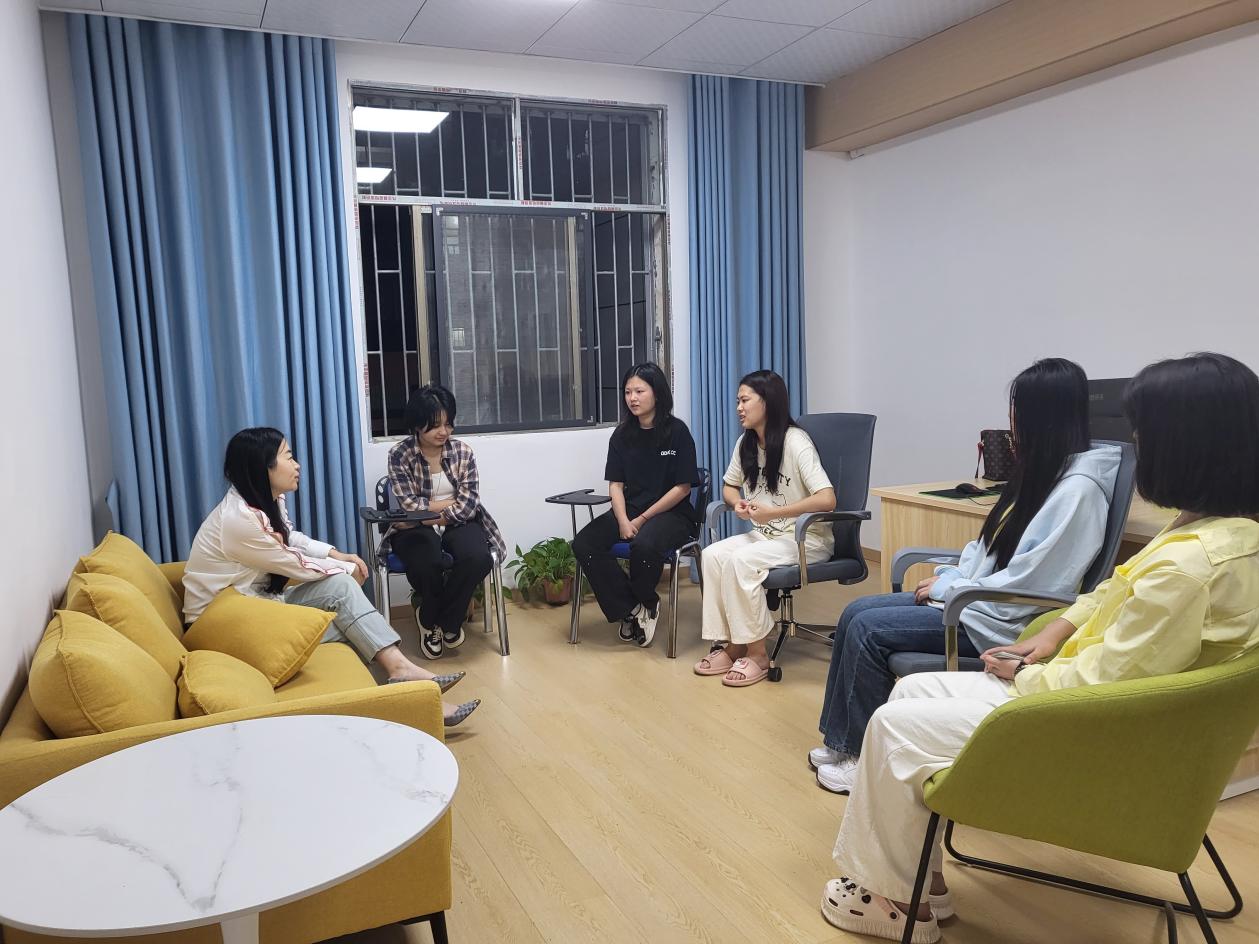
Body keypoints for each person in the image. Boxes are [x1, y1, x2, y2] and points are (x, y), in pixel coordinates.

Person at [822, 352, 1259, 944]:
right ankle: (920, 878)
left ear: (1186, 446)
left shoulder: (1188, 566)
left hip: (1089, 728)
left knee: (895, 727)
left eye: (1143, 435)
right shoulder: (1214, 533)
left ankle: (895, 901)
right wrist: (1054, 634)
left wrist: (1022, 674)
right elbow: (1113, 589)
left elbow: (1103, 686)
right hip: (1101, 703)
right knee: (911, 690)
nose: (1135, 448)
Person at [812, 358, 1120, 793]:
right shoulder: (1043, 474)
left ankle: (862, 759)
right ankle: (843, 742)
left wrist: (951, 588)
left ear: (1043, 417)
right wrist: (952, 576)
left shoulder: (1079, 492)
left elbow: (1033, 583)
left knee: (867, 629)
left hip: (999, 621)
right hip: (975, 602)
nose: (1011, 423)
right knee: (855, 612)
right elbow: (990, 548)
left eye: (1018, 412)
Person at [183, 427, 480, 728]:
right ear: (263, 468)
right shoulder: (239, 520)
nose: (297, 465)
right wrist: (347, 569)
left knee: (345, 599)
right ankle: (410, 696)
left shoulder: (264, 501)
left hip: (254, 604)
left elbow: (291, 538)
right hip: (222, 624)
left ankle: (404, 682)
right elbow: (294, 564)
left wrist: (336, 555)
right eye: (288, 457)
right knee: (353, 620)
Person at [694, 369, 836, 686]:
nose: (739, 408)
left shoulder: (796, 442)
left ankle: (757, 654)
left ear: (767, 402)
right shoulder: (745, 443)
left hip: (805, 539)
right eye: (738, 401)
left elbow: (827, 499)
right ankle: (732, 646)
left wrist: (775, 513)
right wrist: (737, 504)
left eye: (745, 400)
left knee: (740, 561)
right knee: (713, 555)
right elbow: (729, 486)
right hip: (766, 536)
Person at [571, 363, 700, 647]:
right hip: (629, 510)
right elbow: (615, 485)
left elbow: (683, 488)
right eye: (628, 392)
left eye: (640, 391)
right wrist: (622, 520)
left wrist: (640, 520)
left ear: (657, 393)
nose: (632, 398)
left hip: (673, 514)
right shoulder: (622, 435)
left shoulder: (677, 432)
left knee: (643, 545)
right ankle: (634, 608)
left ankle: (646, 602)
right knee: (584, 543)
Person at [387, 384, 506, 660]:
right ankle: (439, 622)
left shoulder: (463, 451)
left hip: (453, 522)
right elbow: (409, 505)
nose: (444, 431)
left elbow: (469, 504)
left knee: (478, 557)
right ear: (417, 425)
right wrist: (446, 504)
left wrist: (428, 513)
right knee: (427, 560)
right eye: (435, 425)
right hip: (414, 527)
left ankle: (437, 621)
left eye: (448, 424)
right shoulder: (400, 454)